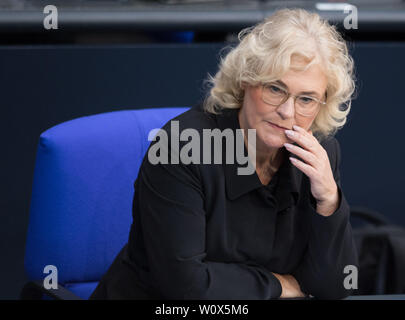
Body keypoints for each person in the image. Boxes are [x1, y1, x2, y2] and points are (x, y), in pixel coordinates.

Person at [90, 8, 358, 300]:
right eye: (274, 89)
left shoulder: (318, 156)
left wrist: (329, 201)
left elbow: (335, 287)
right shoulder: (182, 147)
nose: (287, 111)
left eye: (306, 99)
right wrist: (279, 285)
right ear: (246, 80)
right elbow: (186, 288)